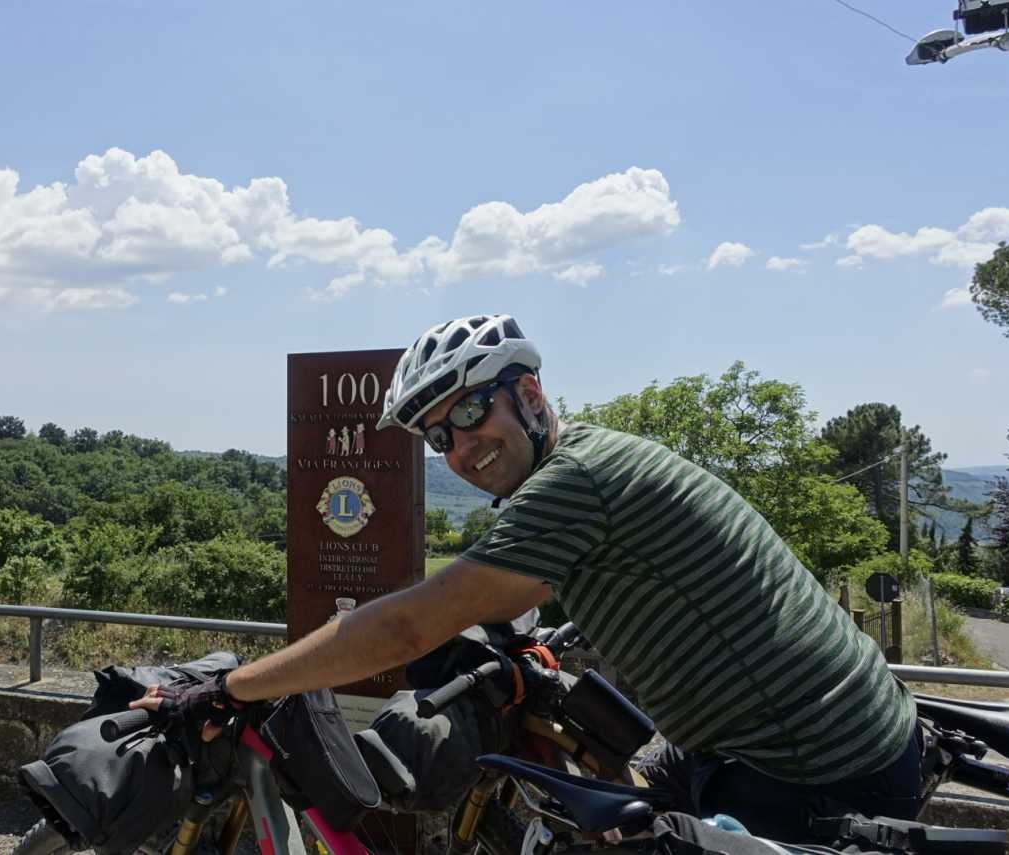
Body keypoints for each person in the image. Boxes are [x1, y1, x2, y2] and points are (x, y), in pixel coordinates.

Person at [133, 314, 922, 840]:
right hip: (808, 737)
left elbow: (407, 624)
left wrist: (231, 687)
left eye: (470, 411)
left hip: (811, 769)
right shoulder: (590, 458)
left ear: (530, 394)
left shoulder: (574, 482)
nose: (460, 447)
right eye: (438, 435)